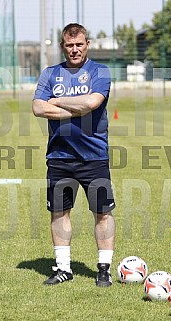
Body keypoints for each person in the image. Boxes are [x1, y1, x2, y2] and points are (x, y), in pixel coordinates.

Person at [32, 23, 115, 287]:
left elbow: (92, 103)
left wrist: (54, 101)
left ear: (87, 44)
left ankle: (103, 269)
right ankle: (63, 268)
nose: (74, 49)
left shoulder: (99, 71)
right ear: (62, 47)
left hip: (94, 156)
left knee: (102, 213)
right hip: (58, 157)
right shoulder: (50, 73)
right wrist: (76, 111)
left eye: (79, 44)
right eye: (69, 45)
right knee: (59, 212)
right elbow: (37, 107)